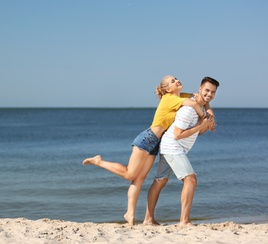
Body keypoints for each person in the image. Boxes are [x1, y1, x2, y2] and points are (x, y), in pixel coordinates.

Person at [82, 75, 214, 225]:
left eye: (176, 78)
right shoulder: (169, 98)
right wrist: (204, 118)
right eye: (172, 81)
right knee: (129, 173)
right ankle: (99, 161)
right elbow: (193, 103)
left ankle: (130, 216)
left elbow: (200, 98)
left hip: (156, 142)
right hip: (147, 138)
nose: (177, 80)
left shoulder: (180, 95)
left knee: (139, 179)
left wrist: (208, 109)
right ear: (167, 89)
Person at [142, 76, 220, 227]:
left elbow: (196, 132)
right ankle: (184, 221)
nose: (209, 94)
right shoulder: (189, 110)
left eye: (213, 92)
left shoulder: (201, 108)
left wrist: (205, 125)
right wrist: (200, 125)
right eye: (206, 90)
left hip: (171, 146)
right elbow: (178, 134)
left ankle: (148, 220)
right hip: (173, 146)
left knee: (160, 181)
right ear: (200, 89)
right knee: (190, 179)